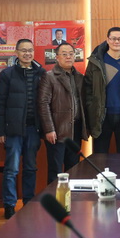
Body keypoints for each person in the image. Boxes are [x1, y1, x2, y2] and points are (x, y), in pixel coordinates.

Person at [0, 39, 46, 219]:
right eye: (23, 50)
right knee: (11, 169)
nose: (27, 53)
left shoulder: (41, 73)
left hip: (33, 129)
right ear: (16, 53)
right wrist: (0, 131)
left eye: (30, 50)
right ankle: (9, 205)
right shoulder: (7, 74)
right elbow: (0, 103)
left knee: (31, 168)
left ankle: (28, 202)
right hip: (13, 130)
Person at [38, 42, 88, 183]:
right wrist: (49, 129)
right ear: (57, 57)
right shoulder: (49, 76)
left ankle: (71, 197)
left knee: (74, 170)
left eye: (71, 54)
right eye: (64, 54)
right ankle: (55, 197)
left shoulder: (79, 77)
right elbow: (43, 104)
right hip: (57, 131)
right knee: (56, 171)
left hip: (75, 130)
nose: (68, 57)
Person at [84, 27, 120, 153]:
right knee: (100, 155)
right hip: (101, 115)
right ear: (107, 40)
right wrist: (91, 111)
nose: (116, 42)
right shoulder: (96, 61)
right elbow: (87, 89)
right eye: (113, 38)